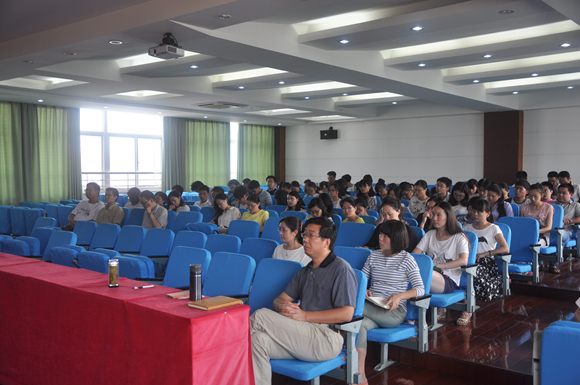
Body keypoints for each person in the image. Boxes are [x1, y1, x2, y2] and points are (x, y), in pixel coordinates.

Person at [250, 217, 357, 385]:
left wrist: (305, 315)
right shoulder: (305, 270)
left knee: (260, 316)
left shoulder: (341, 269)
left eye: (311, 235)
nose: (304, 239)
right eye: (304, 234)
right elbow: (279, 299)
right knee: (257, 340)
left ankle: (216, 361)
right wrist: (283, 307)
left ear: (326, 242)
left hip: (326, 338)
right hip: (302, 333)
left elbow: (347, 313)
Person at [356, 220, 424, 385]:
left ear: (397, 238)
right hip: (372, 306)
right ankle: (360, 376)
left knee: (353, 308)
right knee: (360, 325)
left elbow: (420, 289)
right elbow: (362, 279)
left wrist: (400, 296)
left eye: (386, 236)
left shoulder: (406, 259)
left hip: (393, 312)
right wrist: (364, 289)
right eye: (380, 234)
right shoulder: (373, 255)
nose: (381, 238)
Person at [413, 201, 470, 325]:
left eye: (439, 215)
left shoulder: (459, 237)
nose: (434, 218)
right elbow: (415, 255)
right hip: (431, 274)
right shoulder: (429, 234)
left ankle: (415, 318)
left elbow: (463, 260)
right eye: (433, 214)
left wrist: (440, 266)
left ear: (448, 217)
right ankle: (411, 316)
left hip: (448, 279)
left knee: (423, 274)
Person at [464, 198, 509, 301]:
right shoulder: (467, 227)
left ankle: (470, 299)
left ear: (488, 214)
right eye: (474, 211)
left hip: (486, 262)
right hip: (469, 261)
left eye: (479, 212)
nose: (475, 214)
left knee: (474, 270)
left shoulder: (493, 228)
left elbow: (505, 248)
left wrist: (485, 253)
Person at [520, 183, 555, 273]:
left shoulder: (548, 208)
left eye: (535, 196)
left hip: (542, 234)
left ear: (542, 195)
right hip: (527, 234)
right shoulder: (524, 208)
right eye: (530, 196)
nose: (532, 199)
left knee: (534, 244)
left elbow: (548, 227)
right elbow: (521, 225)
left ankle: (533, 265)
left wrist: (535, 232)